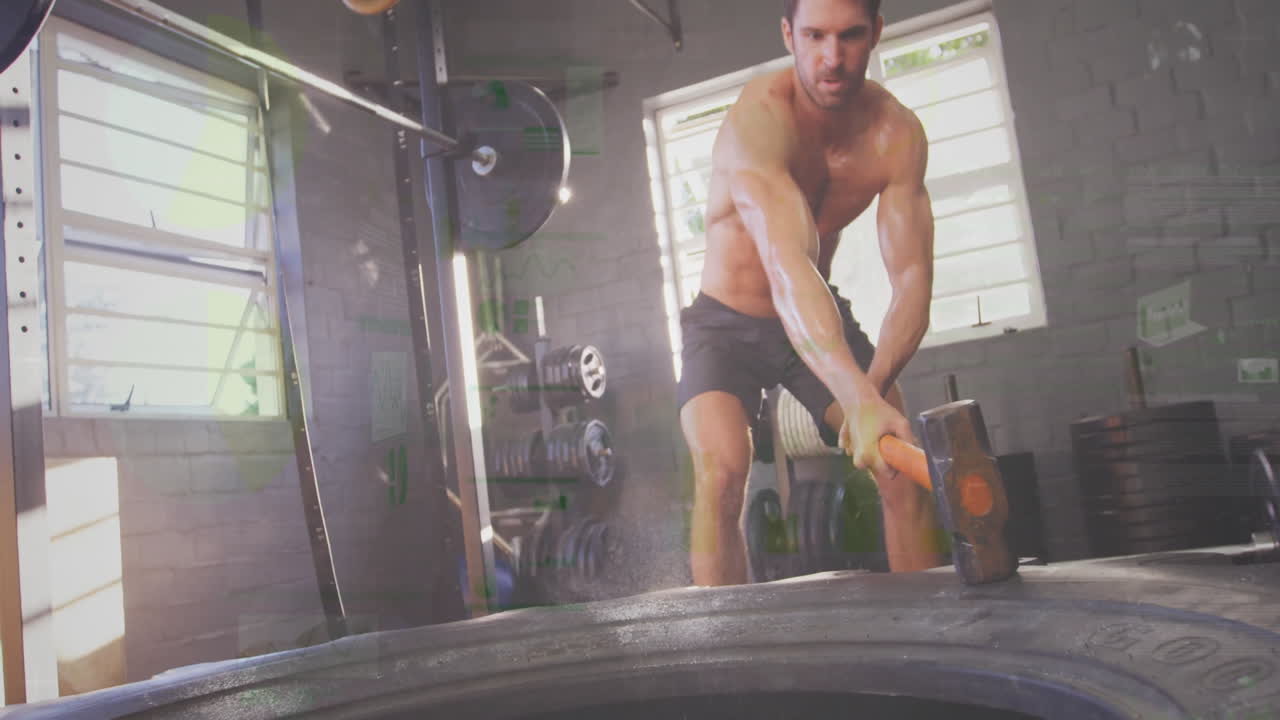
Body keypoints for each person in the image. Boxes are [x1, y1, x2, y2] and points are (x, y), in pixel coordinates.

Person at [678, 0, 944, 586]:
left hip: (815, 313)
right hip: (724, 325)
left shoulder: (895, 136)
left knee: (898, 461)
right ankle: (722, 650)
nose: (833, 57)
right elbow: (787, 262)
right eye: (815, 36)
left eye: (850, 36)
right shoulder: (759, 122)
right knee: (721, 472)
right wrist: (852, 393)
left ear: (875, 32)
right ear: (787, 35)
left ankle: (934, 636)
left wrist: (869, 398)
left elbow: (912, 281)